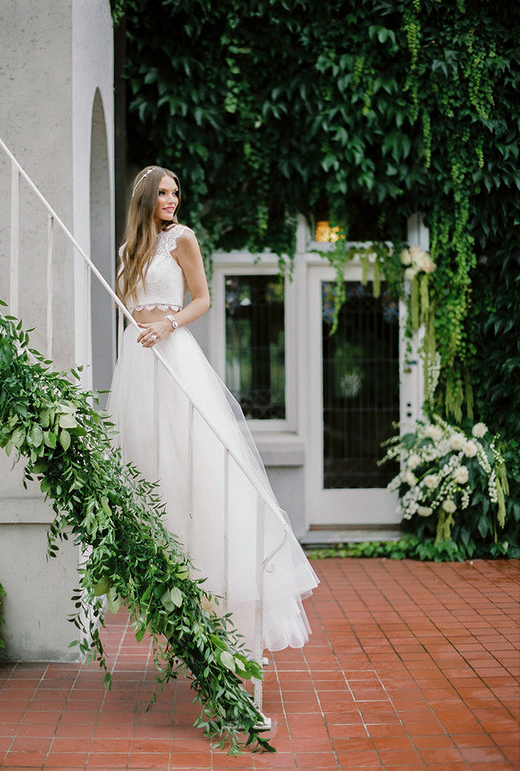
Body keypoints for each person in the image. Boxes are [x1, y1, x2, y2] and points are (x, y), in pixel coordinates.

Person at [107, 165, 318, 654]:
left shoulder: (182, 238)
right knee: (152, 468)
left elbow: (202, 299)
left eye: (175, 192)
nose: (171, 199)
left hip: (172, 351)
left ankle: (228, 603)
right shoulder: (126, 251)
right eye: (162, 192)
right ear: (144, 197)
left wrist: (168, 326)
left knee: (196, 462)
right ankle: (173, 602)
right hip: (136, 363)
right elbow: (125, 304)